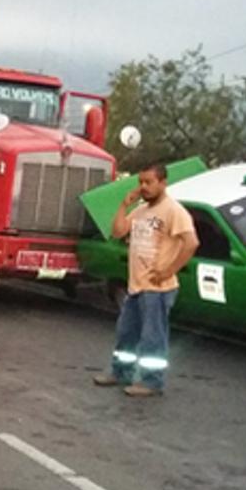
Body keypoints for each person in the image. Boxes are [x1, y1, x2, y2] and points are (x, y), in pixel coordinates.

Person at [93, 163, 198, 397]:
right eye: (141, 182)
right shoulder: (140, 211)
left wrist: (168, 270)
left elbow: (191, 243)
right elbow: (119, 231)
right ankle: (121, 372)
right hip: (136, 285)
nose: (144, 187)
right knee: (126, 332)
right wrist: (124, 204)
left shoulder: (174, 211)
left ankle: (152, 382)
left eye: (149, 182)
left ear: (163, 183)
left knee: (153, 336)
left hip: (158, 288)